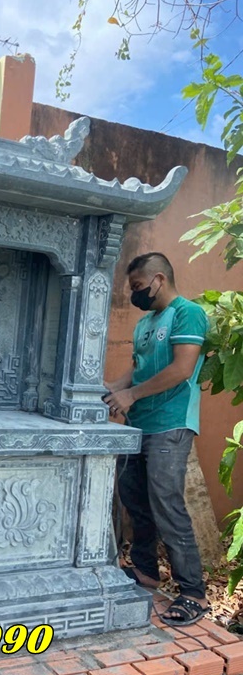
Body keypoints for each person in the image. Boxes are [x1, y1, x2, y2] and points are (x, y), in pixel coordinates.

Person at [104, 252, 210, 627]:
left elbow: (182, 369)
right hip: (139, 424)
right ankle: (146, 570)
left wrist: (131, 396)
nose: (135, 294)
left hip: (170, 423)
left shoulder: (187, 313)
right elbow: (137, 370)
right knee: (135, 499)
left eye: (138, 286)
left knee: (167, 504)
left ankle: (193, 592)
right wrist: (110, 390)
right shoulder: (145, 323)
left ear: (159, 279)